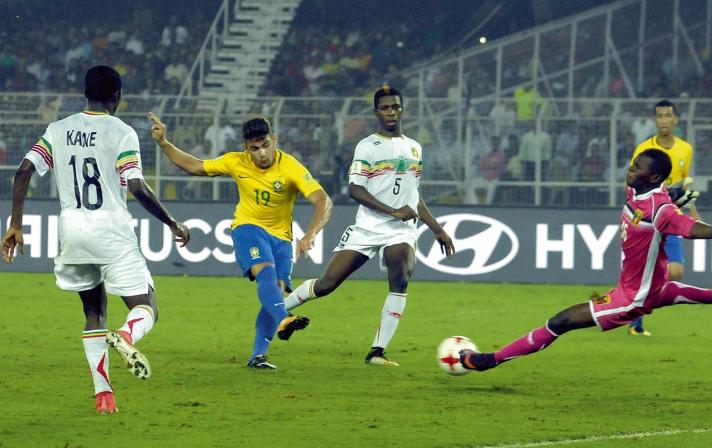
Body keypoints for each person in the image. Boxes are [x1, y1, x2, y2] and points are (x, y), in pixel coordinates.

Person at [458, 149, 712, 373]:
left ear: (654, 176)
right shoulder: (637, 189)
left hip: (634, 296)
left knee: (560, 322)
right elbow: (655, 200)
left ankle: (491, 360)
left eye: (637, 167)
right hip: (656, 286)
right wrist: (673, 193)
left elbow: (683, 226)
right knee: (675, 292)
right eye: (632, 164)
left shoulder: (660, 208)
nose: (629, 170)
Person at [1, 66, 191, 414]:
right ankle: (127, 336)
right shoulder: (122, 132)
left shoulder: (58, 130)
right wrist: (170, 221)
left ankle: (104, 395)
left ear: (84, 93)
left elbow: (23, 170)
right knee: (146, 305)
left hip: (73, 231)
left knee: (93, 312)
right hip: (112, 230)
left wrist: (16, 224)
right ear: (118, 95)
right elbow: (135, 185)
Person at [281, 85, 456, 366]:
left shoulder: (414, 147)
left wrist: (436, 228)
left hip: (401, 230)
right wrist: (392, 211)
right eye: (385, 108)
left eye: (395, 107)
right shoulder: (367, 146)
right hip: (367, 227)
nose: (390, 112)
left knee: (400, 274)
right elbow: (355, 190)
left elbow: (414, 195)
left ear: (402, 110)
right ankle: (277, 311)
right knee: (326, 285)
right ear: (377, 112)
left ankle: (377, 351)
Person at [149, 113, 332, 370]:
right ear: (246, 148)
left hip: (282, 239)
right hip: (248, 228)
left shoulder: (291, 166)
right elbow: (195, 166)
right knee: (266, 276)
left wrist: (310, 234)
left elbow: (323, 201)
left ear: (275, 140)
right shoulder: (236, 162)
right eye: (254, 149)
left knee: (275, 292)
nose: (262, 154)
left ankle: (258, 355)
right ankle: (285, 318)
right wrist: (164, 142)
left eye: (266, 145)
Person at [627, 100, 696, 336]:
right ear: (655, 120)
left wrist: (692, 211)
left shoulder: (685, 149)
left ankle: (639, 297)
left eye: (668, 115)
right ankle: (634, 318)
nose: (664, 120)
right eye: (660, 116)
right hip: (647, 218)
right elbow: (633, 183)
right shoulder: (643, 149)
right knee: (650, 272)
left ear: (676, 119)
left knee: (675, 273)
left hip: (671, 215)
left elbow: (684, 182)